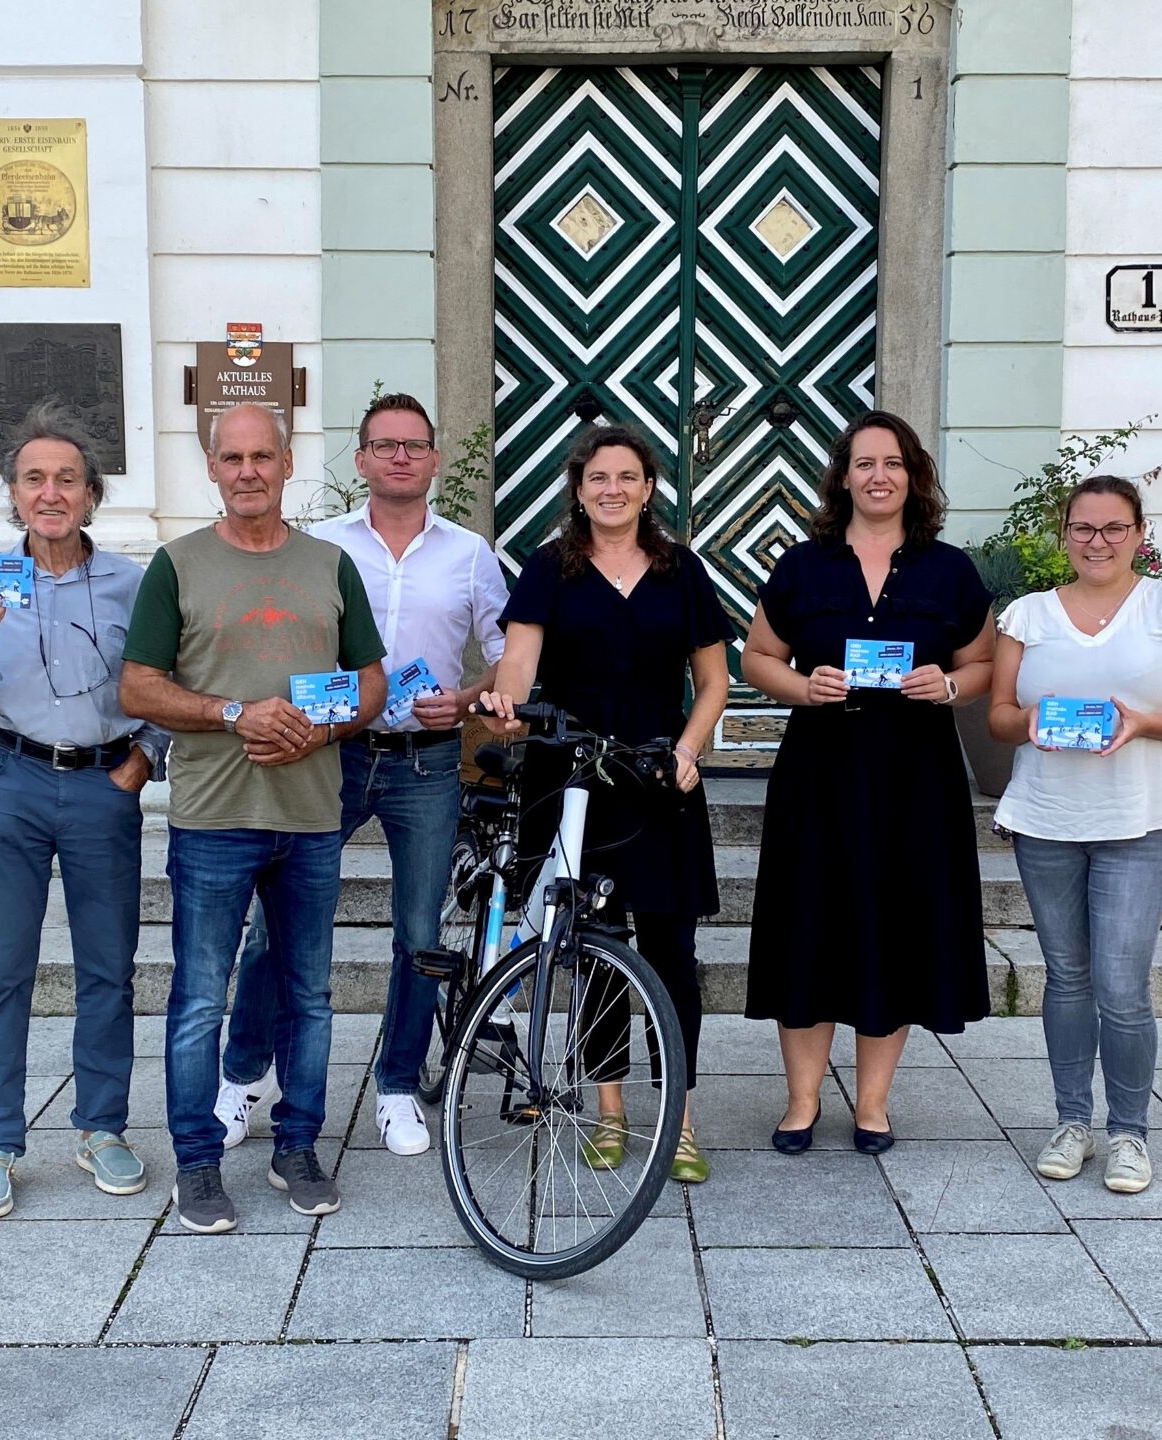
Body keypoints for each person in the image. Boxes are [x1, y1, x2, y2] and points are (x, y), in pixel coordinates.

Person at [215, 393, 509, 1159]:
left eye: (415, 445)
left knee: (418, 933)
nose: (401, 457)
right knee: (270, 925)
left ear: (435, 460)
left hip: (427, 764)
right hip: (330, 754)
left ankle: (398, 1087)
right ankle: (245, 1074)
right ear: (362, 459)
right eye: (385, 445)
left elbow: (512, 651)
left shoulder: (470, 554)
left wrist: (470, 700)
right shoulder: (320, 548)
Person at [119, 401, 387, 1233]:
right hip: (214, 817)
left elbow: (372, 680)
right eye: (231, 458)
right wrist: (236, 713)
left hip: (311, 817)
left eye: (261, 457)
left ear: (285, 462)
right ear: (211, 467)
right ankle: (197, 1164)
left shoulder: (329, 564)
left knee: (309, 994)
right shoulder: (178, 565)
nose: (247, 472)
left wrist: (328, 724)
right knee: (201, 997)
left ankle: (298, 1146)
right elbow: (138, 688)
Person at [0, 401, 168, 1221]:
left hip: (103, 785)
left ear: (92, 494)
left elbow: (166, 682)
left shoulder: (135, 581)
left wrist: (142, 759)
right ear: (14, 495)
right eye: (34, 479)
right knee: (3, 972)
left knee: (107, 969)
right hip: (11, 782)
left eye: (67, 478)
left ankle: (101, 1127)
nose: (50, 492)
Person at [477, 423, 733, 1184]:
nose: (613, 489)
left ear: (649, 488)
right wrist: (505, 700)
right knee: (591, 956)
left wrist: (688, 750)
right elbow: (519, 661)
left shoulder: (680, 570)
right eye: (598, 478)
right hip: (573, 781)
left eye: (627, 477)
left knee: (673, 957)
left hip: (660, 779)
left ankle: (678, 1118)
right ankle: (610, 1111)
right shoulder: (547, 570)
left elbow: (714, 681)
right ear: (579, 489)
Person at [740, 410, 995, 1156]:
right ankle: (802, 1101)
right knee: (807, 926)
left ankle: (874, 1105)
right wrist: (800, 686)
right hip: (819, 776)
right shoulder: (803, 565)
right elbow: (757, 656)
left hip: (916, 781)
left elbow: (981, 664)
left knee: (897, 928)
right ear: (842, 476)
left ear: (912, 476)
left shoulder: (948, 569)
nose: (878, 475)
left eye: (892, 463)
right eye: (863, 463)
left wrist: (947, 686)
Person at [987, 475, 1162, 1194]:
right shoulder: (1028, 615)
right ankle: (1071, 1122)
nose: (1098, 542)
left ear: (1138, 534)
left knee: (1122, 986)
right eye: (1084, 529)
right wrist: (1027, 723)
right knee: (1067, 978)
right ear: (1065, 534)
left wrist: (1144, 722)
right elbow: (999, 713)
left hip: (1136, 820)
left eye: (1113, 529)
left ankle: (1129, 1133)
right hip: (1047, 818)